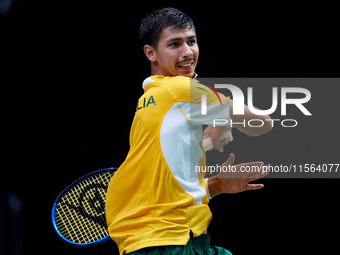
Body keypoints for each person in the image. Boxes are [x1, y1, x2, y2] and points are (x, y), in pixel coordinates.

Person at [105, 7, 272, 255]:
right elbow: (262, 123)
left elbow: (162, 188)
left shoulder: (152, 100)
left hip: (155, 242)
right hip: (170, 242)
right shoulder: (181, 89)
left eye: (191, 42)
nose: (187, 53)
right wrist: (223, 121)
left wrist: (214, 185)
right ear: (150, 53)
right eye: (174, 44)